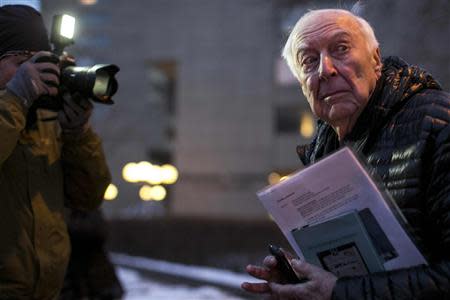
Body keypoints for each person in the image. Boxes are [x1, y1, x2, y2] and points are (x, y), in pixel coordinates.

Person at [242, 8, 450, 300]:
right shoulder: (323, 147)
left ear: (376, 59)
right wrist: (303, 279)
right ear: (303, 83)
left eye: (340, 49)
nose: (325, 69)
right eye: (309, 61)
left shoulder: (438, 123)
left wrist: (339, 291)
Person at [0, 5, 111, 299]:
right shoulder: (15, 111)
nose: (34, 72)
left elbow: (89, 198)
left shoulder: (46, 124)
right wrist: (15, 99)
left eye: (41, 61)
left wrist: (78, 134)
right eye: (22, 62)